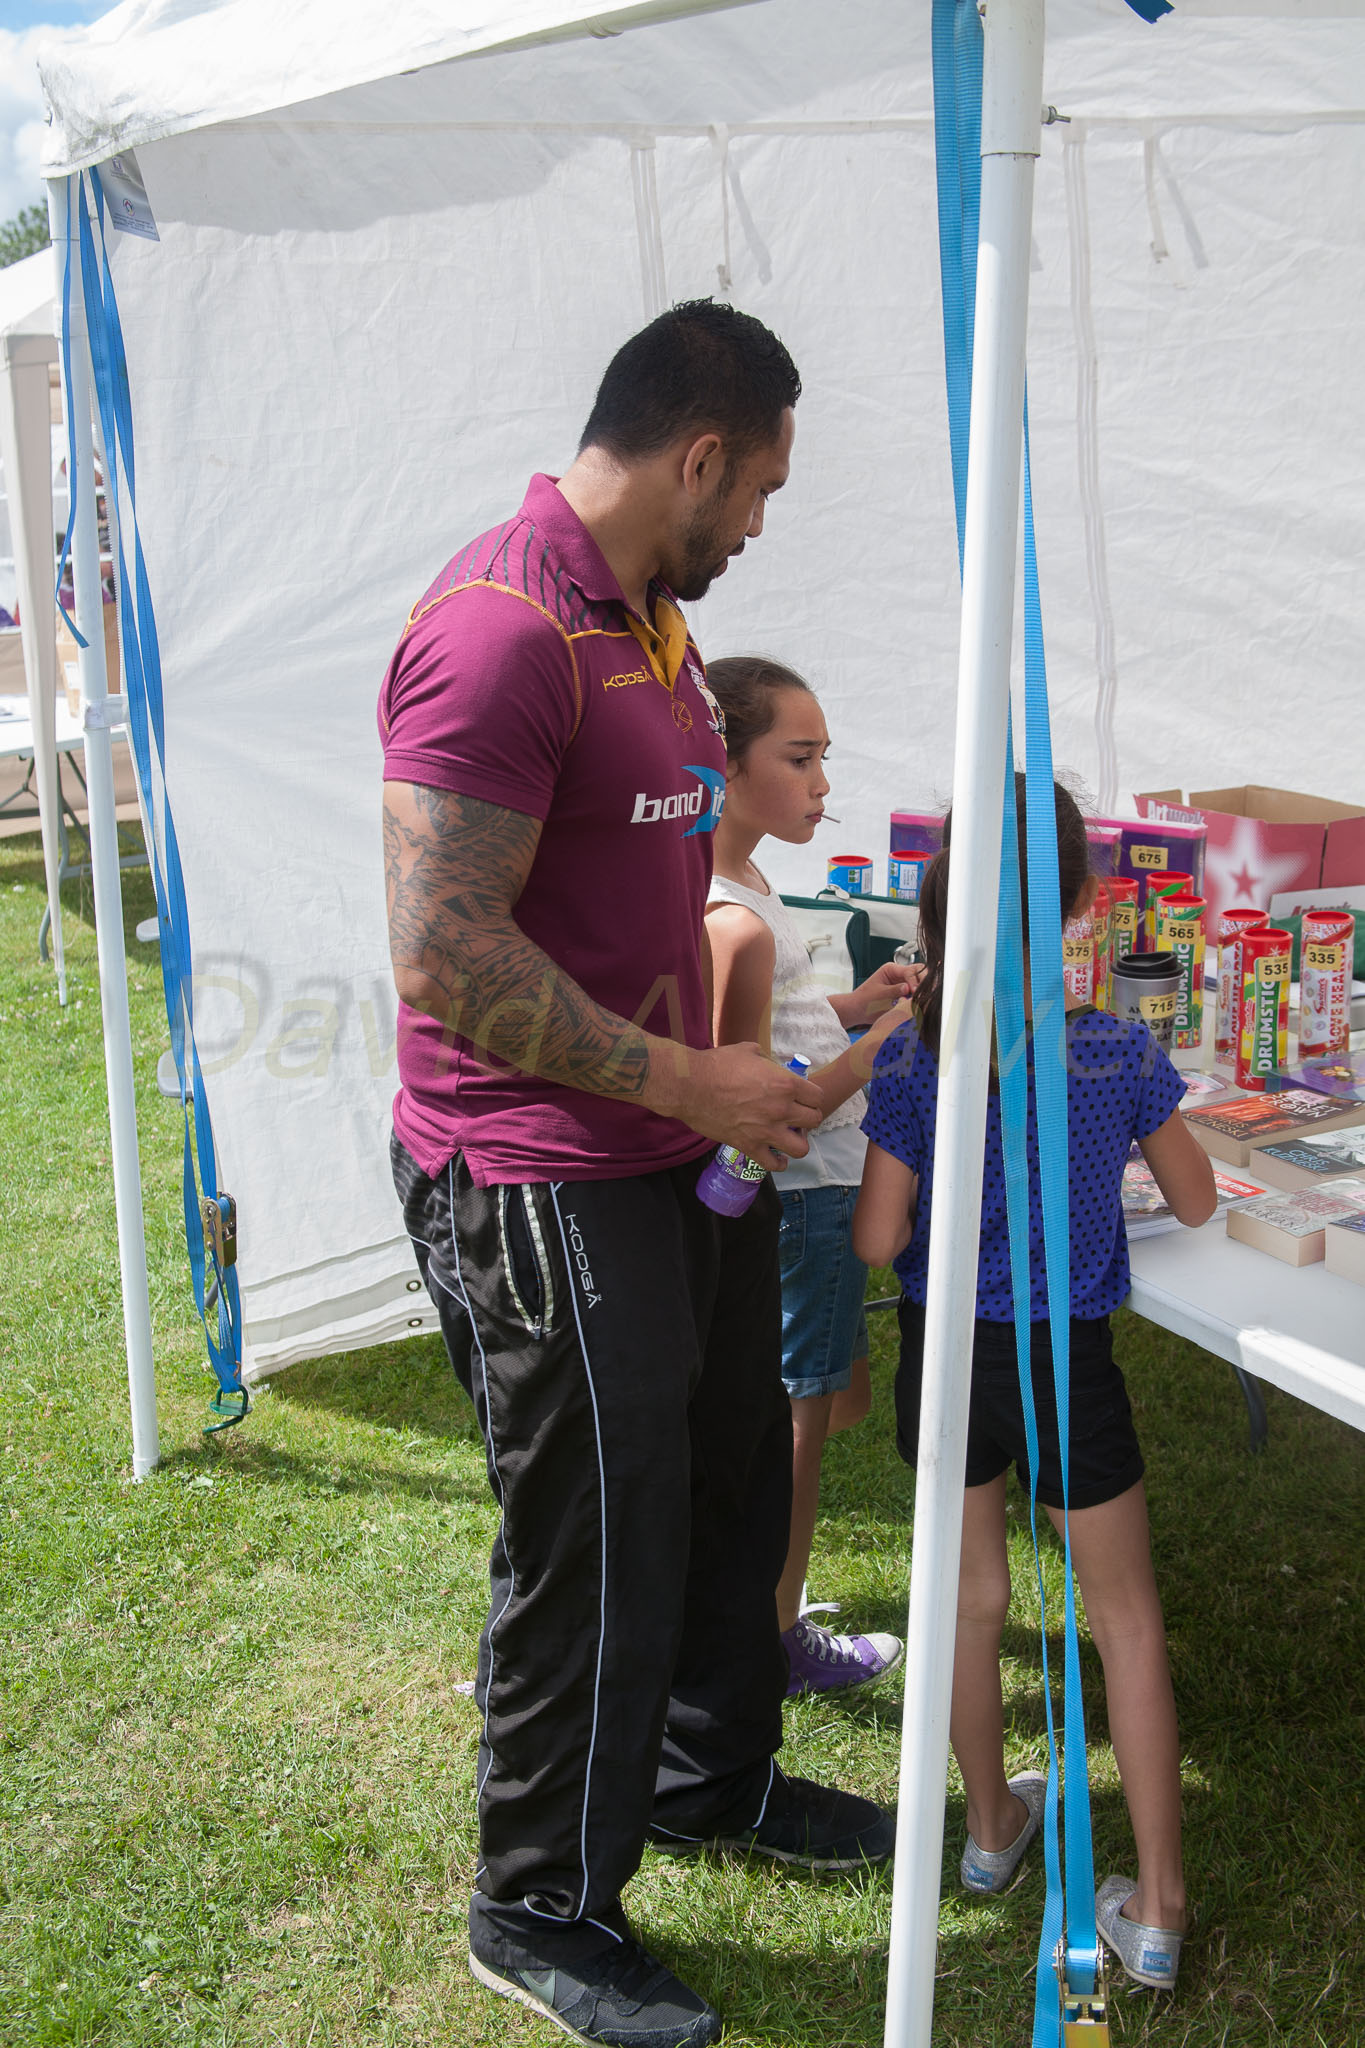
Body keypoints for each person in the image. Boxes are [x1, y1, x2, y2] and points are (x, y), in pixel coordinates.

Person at [380, 301, 894, 2048]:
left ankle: (708, 1778)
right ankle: (535, 1902)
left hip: (680, 1147)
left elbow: (658, 887)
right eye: (759, 490)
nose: (758, 523)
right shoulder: (495, 631)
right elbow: (443, 951)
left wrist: (737, 1072)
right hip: (536, 1169)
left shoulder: (657, 624)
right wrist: (688, 1075)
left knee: (726, 1484)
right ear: (700, 455)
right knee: (596, 1533)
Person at [852, 777, 1216, 1993]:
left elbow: (877, 1238)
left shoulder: (919, 1055)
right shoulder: (1115, 1046)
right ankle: (1158, 1906)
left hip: (949, 1356)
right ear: (1084, 899)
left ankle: (990, 1828)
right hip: (1068, 1358)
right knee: (1126, 1619)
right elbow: (1198, 1198)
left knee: (969, 1602)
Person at [703, 654, 915, 1695]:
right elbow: (756, 1106)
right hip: (801, 1193)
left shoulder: (745, 877)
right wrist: (875, 1052)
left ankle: (759, 1601)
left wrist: (852, 1007)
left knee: (827, 1401)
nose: (823, 783)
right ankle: (773, 1632)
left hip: (821, 1190)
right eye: (799, 758)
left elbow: (773, 1030)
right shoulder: (724, 910)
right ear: (725, 765)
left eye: (824, 757)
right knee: (801, 1422)